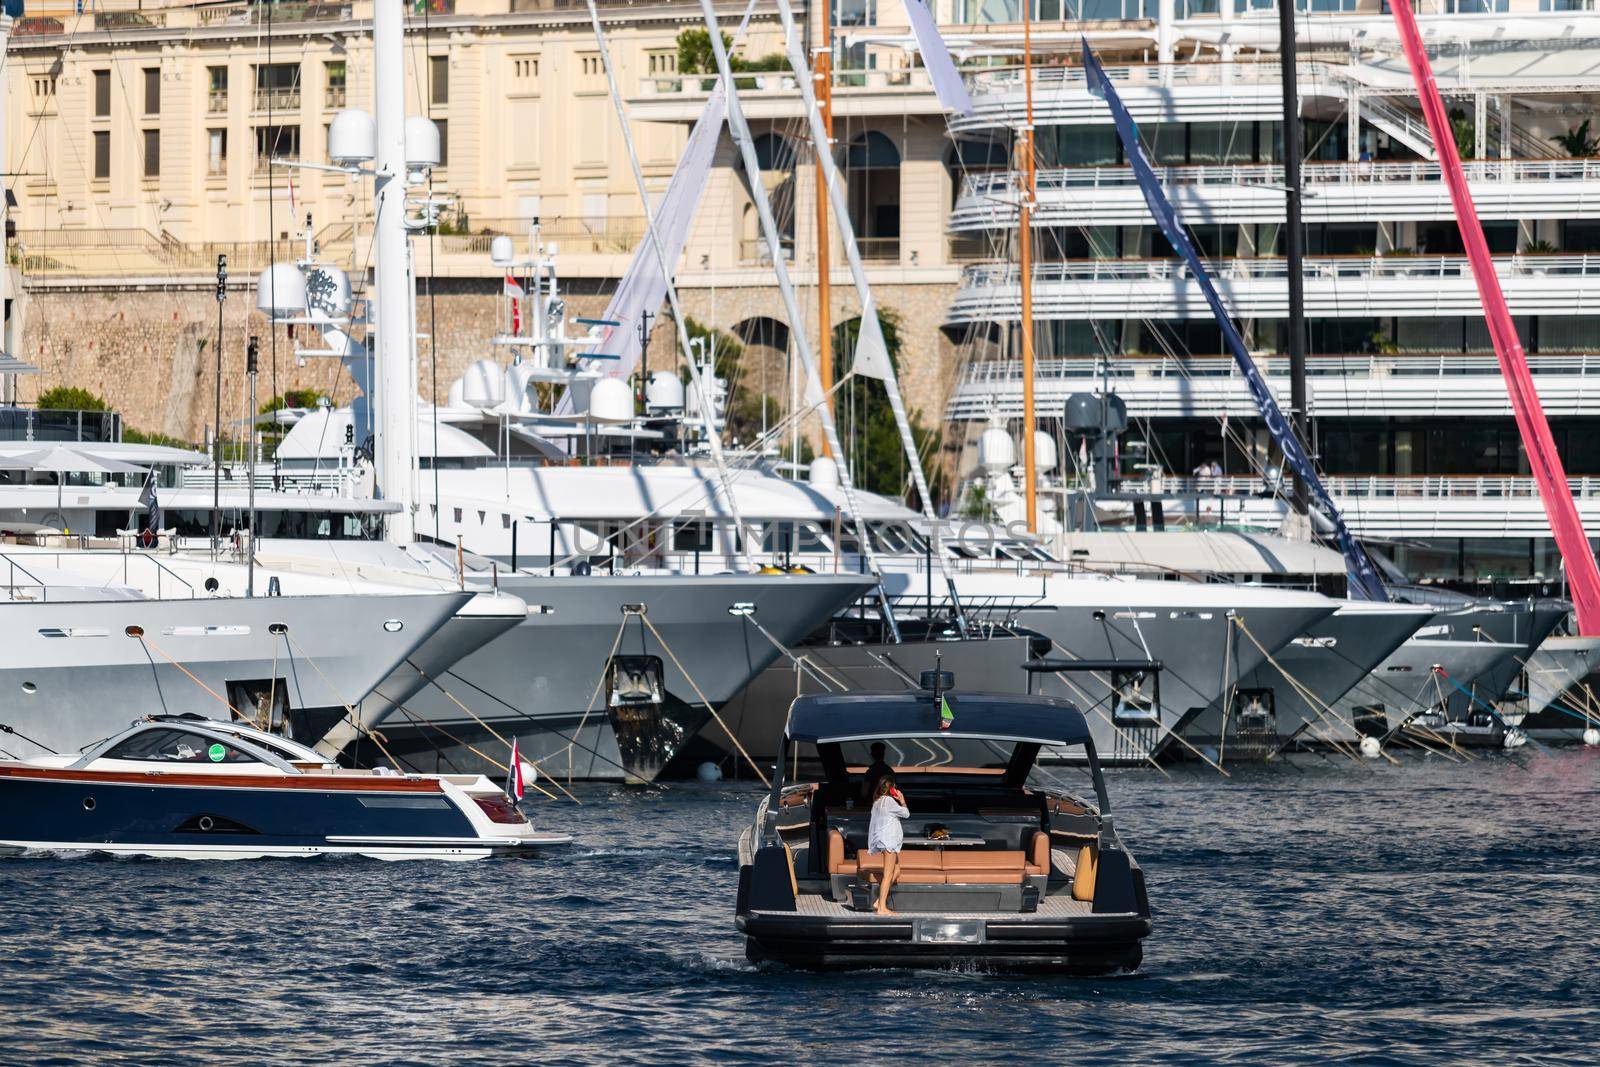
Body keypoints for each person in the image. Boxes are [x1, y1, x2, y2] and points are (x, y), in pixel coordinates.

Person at [867, 774, 910, 915]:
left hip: (884, 841)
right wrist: (902, 800)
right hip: (889, 842)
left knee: (897, 871)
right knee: (888, 874)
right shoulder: (889, 802)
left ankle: (879, 901)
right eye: (895, 787)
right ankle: (882, 908)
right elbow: (906, 814)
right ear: (891, 789)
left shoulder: (877, 802)